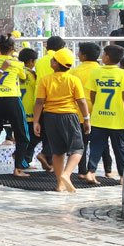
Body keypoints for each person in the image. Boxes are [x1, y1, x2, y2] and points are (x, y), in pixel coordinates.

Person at [33, 49, 88, 193]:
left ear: (56, 64)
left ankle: (60, 184)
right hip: (69, 116)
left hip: (50, 117)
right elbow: (81, 101)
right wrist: (86, 119)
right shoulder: (73, 80)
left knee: (57, 152)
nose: (51, 61)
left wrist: (36, 121)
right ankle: (66, 174)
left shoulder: (45, 80)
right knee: (78, 148)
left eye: (53, 59)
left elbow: (39, 102)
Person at [84, 43, 124, 184]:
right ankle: (123, 176)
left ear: (107, 57)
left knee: (96, 146)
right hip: (117, 119)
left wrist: (97, 106)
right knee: (120, 148)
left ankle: (91, 172)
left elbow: (92, 93)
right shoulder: (123, 73)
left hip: (99, 117)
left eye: (103, 54)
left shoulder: (96, 72)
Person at [0, 35, 29, 174]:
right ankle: (18, 167)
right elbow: (23, 77)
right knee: (22, 134)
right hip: (12, 98)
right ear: (12, 48)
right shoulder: (17, 63)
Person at [71, 42, 103, 174]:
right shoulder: (101, 71)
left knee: (81, 143)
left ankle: (82, 171)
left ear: (83, 56)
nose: (77, 54)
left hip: (79, 111)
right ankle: (102, 169)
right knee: (99, 142)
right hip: (98, 111)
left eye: (79, 52)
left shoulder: (74, 71)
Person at [17, 47, 41, 171]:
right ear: (31, 61)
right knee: (34, 137)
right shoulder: (32, 75)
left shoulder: (17, 72)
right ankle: (24, 159)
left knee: (26, 137)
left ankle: (25, 158)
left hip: (19, 109)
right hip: (30, 110)